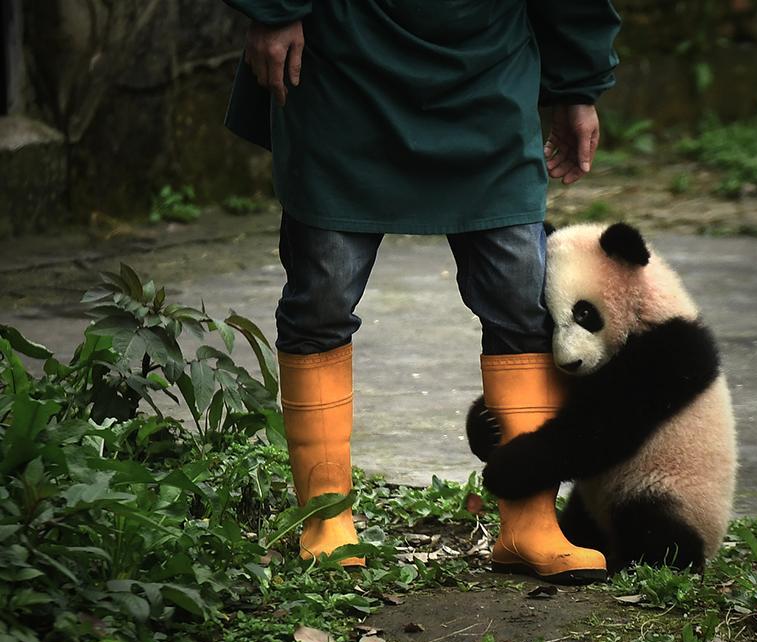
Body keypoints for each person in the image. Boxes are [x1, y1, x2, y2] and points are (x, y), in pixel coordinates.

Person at [223, 0, 621, 583]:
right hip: (345, 61)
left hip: (487, 69)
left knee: (522, 299)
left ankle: (530, 519)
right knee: (322, 297)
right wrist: (276, 8)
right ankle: (326, 516)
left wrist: (578, 83)